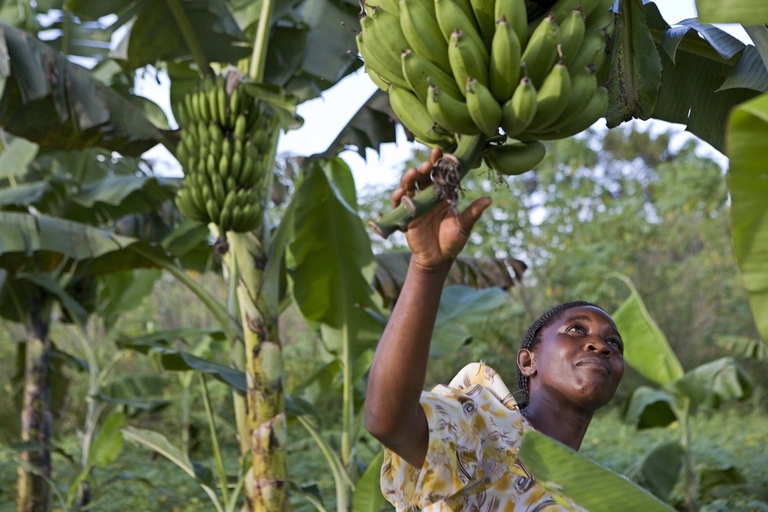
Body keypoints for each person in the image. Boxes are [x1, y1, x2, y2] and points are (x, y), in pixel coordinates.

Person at [364, 148, 626, 511]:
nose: (600, 344)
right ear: (528, 361)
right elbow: (388, 420)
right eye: (577, 331)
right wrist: (427, 268)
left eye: (614, 342)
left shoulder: (603, 495)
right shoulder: (484, 428)